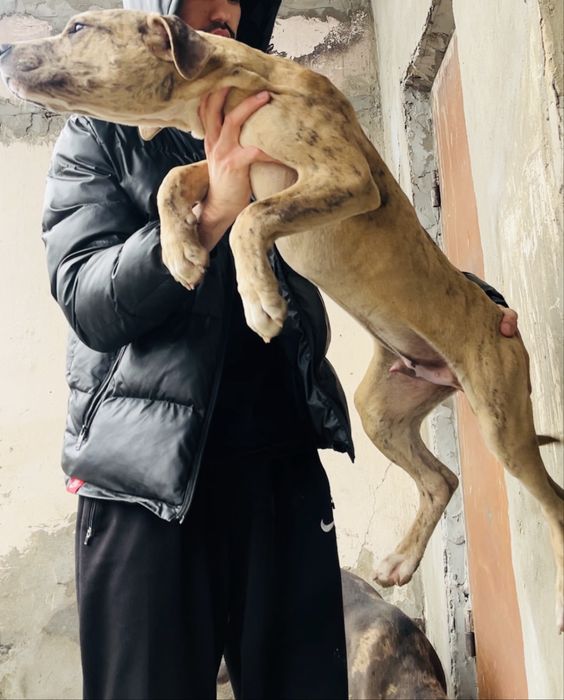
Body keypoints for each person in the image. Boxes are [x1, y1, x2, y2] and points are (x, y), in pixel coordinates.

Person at [41, 1, 518, 698]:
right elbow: (88, 300)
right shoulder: (98, 137)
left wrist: (476, 310)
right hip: (146, 491)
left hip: (281, 472)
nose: (226, 10)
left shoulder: (276, 104)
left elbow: (380, 233)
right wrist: (212, 211)